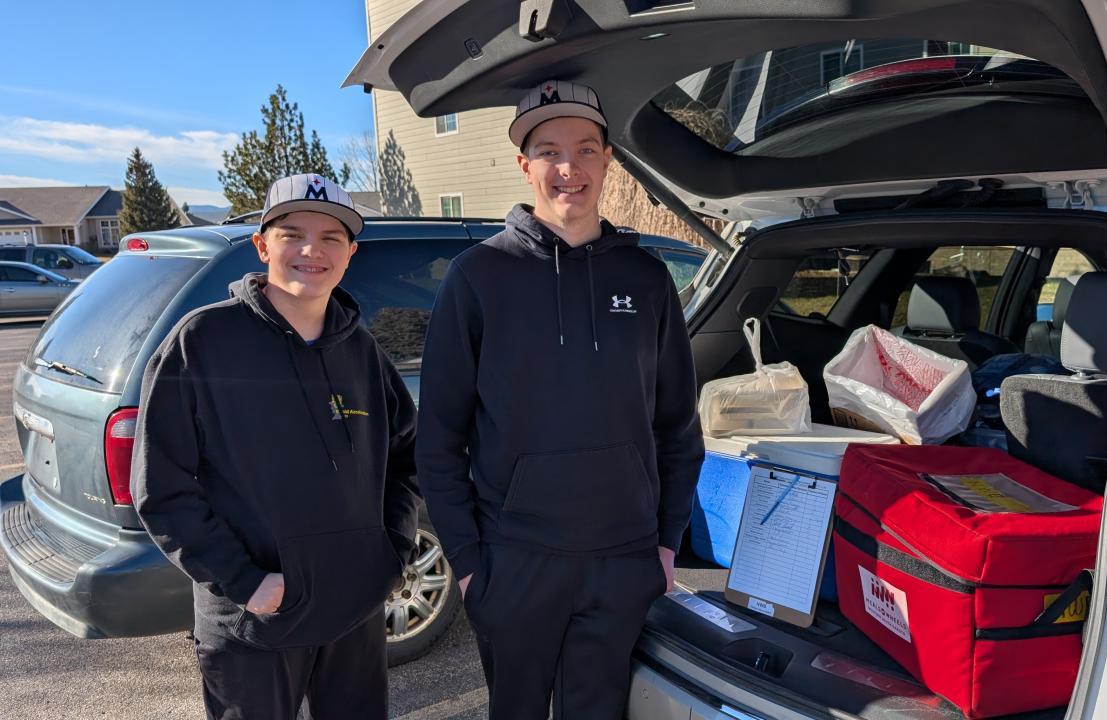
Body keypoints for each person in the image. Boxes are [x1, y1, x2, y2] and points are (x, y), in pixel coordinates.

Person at [416, 79, 705, 718]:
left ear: (608, 160)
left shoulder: (647, 279)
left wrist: (665, 544)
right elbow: (438, 437)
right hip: (515, 561)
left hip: (624, 560)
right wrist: (468, 563)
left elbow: (678, 427)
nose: (568, 168)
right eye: (549, 151)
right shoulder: (478, 277)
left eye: (585, 149)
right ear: (525, 165)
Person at [132, 174, 420, 720]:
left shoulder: (362, 351)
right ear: (262, 246)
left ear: (351, 254)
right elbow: (162, 487)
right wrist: (245, 582)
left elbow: (406, 460)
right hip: (254, 619)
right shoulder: (202, 342)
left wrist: (389, 555)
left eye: (331, 237)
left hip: (353, 612)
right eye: (293, 235)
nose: (312, 251)